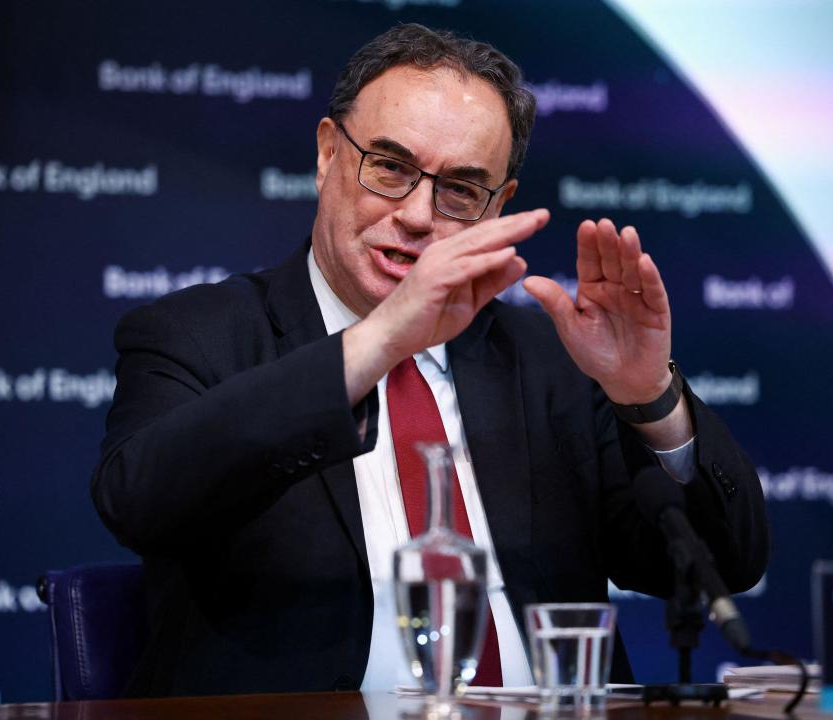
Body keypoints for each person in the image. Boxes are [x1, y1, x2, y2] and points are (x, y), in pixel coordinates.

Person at [92, 23, 768, 697]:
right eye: (390, 167)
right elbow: (139, 498)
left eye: (461, 191)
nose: (418, 215)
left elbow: (722, 564)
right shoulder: (200, 334)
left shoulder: (550, 363)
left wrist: (647, 395)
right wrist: (380, 340)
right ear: (328, 154)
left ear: (498, 206)